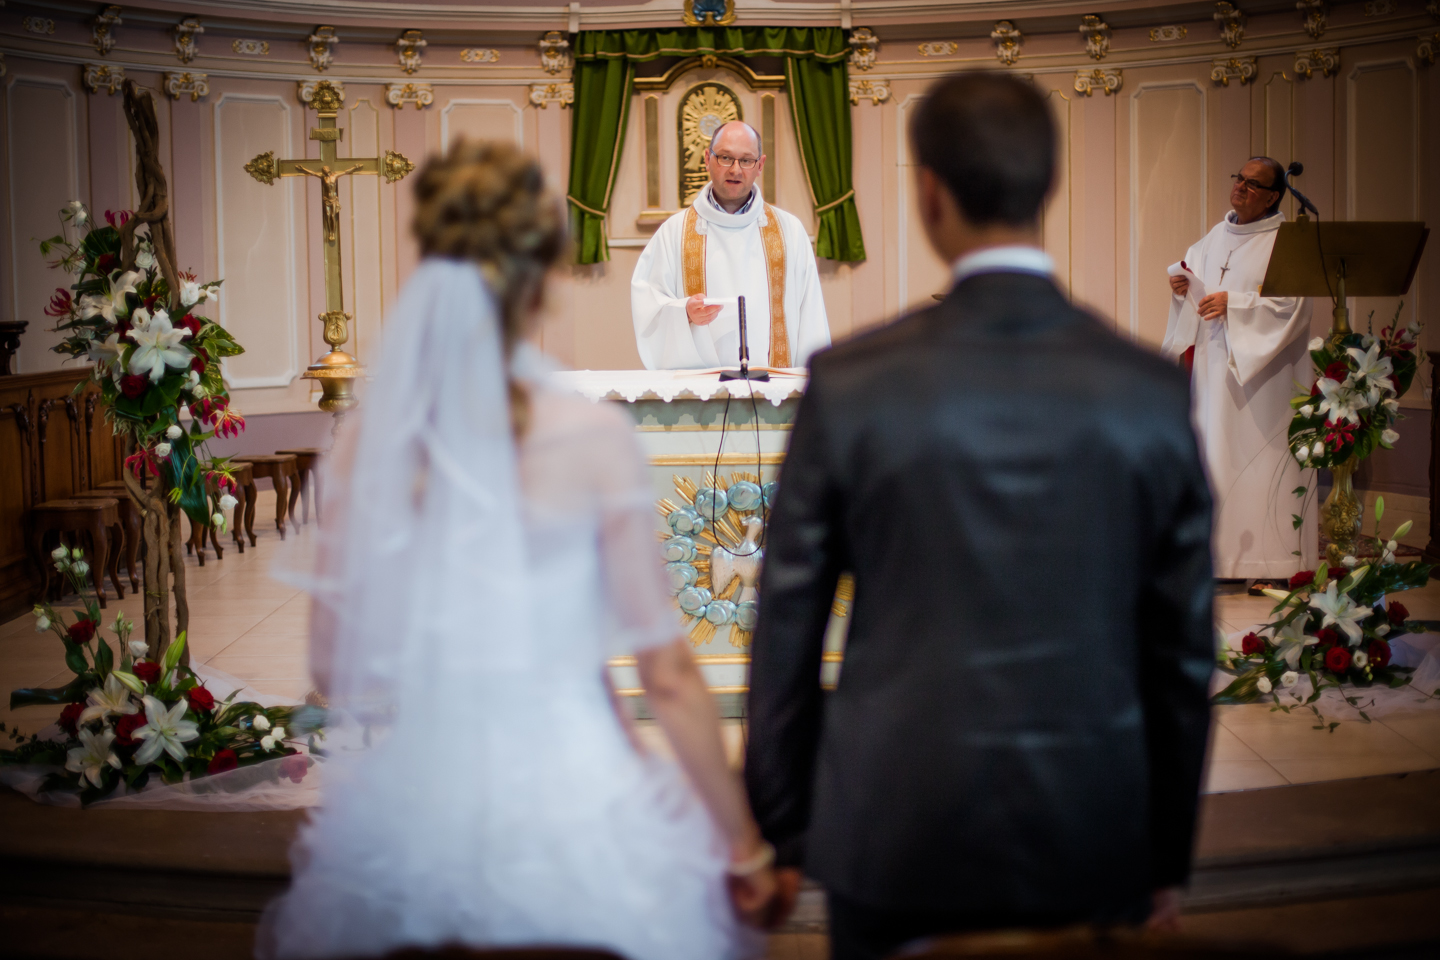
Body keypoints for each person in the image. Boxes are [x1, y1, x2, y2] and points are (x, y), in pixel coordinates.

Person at [257, 141, 774, 960]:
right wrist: (743, 846)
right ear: (543, 278)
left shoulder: (368, 442)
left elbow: (335, 673)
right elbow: (669, 674)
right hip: (579, 799)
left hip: (419, 805)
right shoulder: (593, 437)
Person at [743, 72, 1216, 960]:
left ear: (929, 192)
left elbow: (787, 627)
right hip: (1091, 821)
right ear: (1047, 185)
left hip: (896, 821)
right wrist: (1163, 852)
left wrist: (785, 828)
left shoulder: (851, 385)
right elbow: (1182, 651)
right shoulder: (1148, 390)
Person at [1161, 157, 1316, 584]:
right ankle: (1219, 561)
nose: (1241, 187)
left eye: (1253, 184)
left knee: (1260, 461)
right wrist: (1181, 289)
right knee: (1215, 460)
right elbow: (1194, 286)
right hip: (1214, 372)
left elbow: (1293, 307)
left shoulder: (1286, 242)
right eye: (1239, 179)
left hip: (1265, 380)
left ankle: (1271, 562)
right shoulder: (1214, 236)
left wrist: (1236, 304)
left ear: (1272, 197)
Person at [631, 121, 831, 370]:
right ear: (707, 158)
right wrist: (684, 313)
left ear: (760, 165)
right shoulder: (674, 232)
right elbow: (649, 307)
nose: (735, 170)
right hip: (701, 389)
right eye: (725, 158)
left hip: (774, 385)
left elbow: (811, 316)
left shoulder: (790, 232)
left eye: (746, 160)